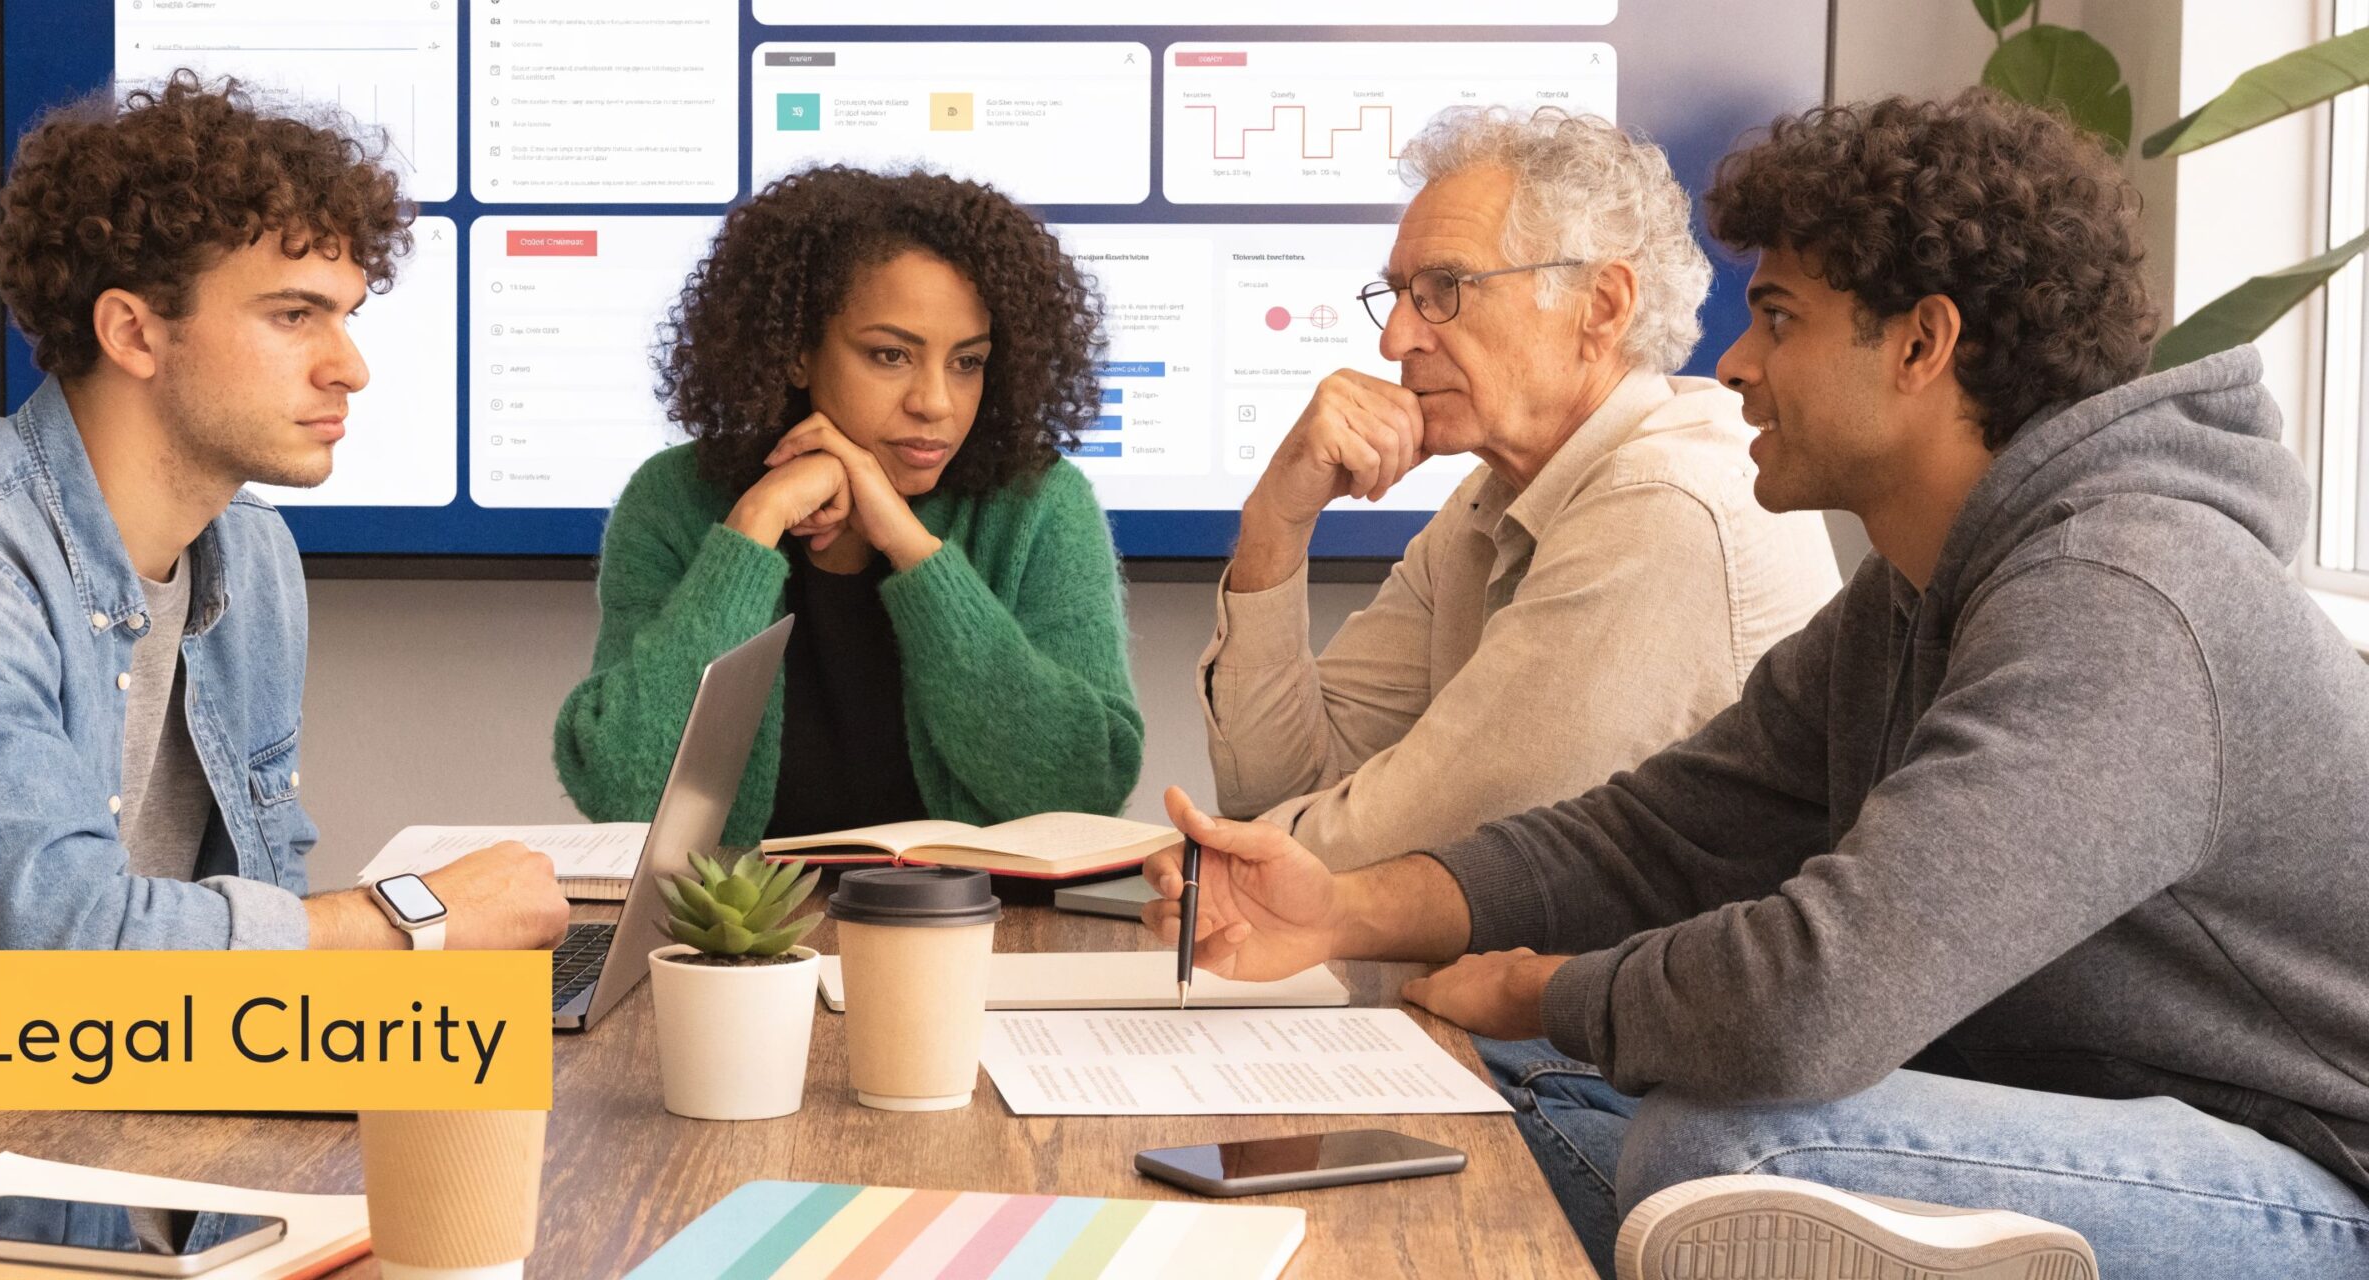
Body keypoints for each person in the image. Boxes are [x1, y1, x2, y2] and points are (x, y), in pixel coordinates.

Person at [1142, 92, 2369, 1279]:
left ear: (1920, 344)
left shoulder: (2123, 599)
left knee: (1730, 1154)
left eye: (1777, 317)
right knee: (1510, 1074)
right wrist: (1345, 911)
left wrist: (1540, 987)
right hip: (2100, 1118)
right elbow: (1657, 836)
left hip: (2318, 1173)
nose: (1732, 361)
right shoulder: (1917, 591)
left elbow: (1816, 996)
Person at [0, 74, 570, 1181]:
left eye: (346, 316)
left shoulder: (252, 556)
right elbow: (52, 946)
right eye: (294, 314)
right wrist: (415, 916)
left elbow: (262, 890)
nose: (348, 365)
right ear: (133, 329)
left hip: (179, 1162)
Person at [1200, 107, 1839, 870]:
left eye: (1443, 289)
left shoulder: (1669, 500)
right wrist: (1275, 518)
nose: (1394, 339)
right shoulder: (1494, 495)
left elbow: (1418, 844)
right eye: (1398, 294)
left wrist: (1216, 862)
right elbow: (1285, 785)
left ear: (1600, 307)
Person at [554, 166, 1142, 844]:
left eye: (967, 362)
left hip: (980, 935)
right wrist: (752, 528)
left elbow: (1081, 790)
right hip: (737, 938)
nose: (935, 403)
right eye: (891, 355)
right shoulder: (675, 501)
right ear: (798, 352)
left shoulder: (1037, 504)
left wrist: (913, 550)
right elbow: (625, 794)